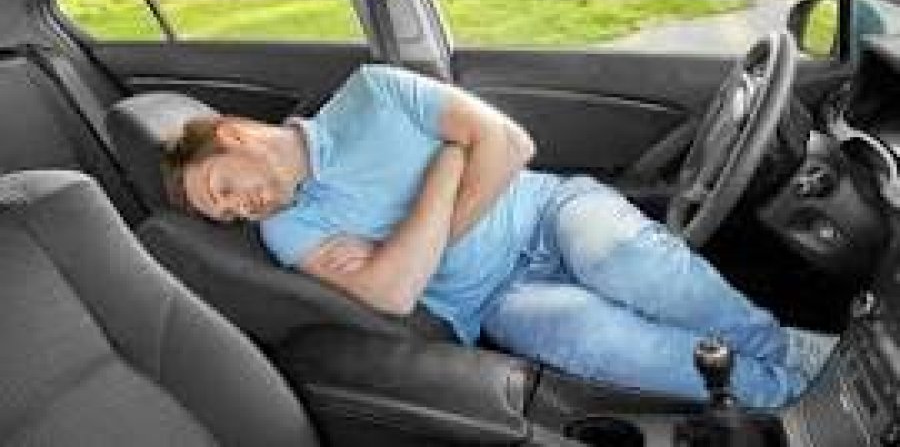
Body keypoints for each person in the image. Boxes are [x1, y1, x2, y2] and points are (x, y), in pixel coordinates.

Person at [163, 64, 835, 408]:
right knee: (590, 336)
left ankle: (792, 350)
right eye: (228, 216)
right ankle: (788, 397)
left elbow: (512, 142)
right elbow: (394, 294)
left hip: (548, 209)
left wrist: (412, 246)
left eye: (224, 188)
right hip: (496, 298)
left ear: (233, 134)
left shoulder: (373, 92)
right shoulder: (285, 229)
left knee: (619, 255)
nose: (242, 209)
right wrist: (447, 166)